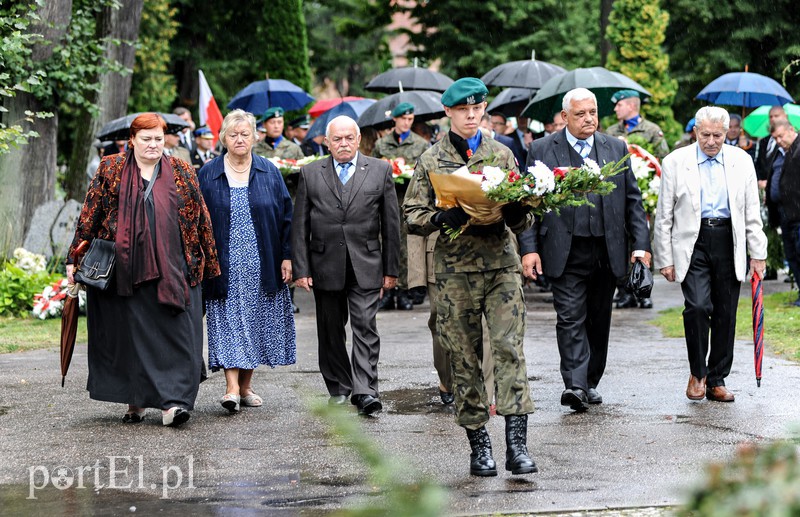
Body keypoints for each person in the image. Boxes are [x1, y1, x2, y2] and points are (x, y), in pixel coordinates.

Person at [404, 77, 537, 477]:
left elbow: (526, 211)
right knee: (463, 359)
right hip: (454, 273)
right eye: (463, 110)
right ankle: (480, 446)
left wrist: (517, 215)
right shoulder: (432, 159)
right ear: (448, 113)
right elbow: (411, 214)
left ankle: (517, 446)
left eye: (477, 108)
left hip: (500, 266)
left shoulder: (502, 153)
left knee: (509, 349)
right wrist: (443, 218)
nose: (471, 115)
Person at [66, 113, 220, 427]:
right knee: (129, 339)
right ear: (132, 140)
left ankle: (172, 404)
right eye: (146, 139)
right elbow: (90, 215)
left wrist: (209, 264)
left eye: (158, 139)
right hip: (123, 270)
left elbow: (200, 218)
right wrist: (73, 258)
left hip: (174, 268)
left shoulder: (181, 169)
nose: (153, 145)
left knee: (177, 336)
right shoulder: (111, 168)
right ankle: (134, 401)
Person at [518, 87, 651, 411]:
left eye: (592, 112)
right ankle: (574, 384)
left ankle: (590, 380)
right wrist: (529, 249)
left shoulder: (615, 147)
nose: (589, 118)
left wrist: (641, 247)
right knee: (569, 317)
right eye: (580, 114)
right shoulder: (542, 149)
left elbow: (633, 201)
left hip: (607, 251)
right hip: (565, 251)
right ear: (564, 117)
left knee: (598, 319)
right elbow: (529, 205)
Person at [654, 106, 767, 401]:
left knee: (726, 312)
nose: (712, 141)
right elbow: (664, 214)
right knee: (698, 307)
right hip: (693, 241)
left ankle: (717, 377)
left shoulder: (741, 161)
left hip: (729, 238)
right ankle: (698, 372)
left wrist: (758, 254)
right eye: (706, 135)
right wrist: (664, 257)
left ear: (728, 132)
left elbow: (752, 212)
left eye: (718, 135)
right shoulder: (675, 161)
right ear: (695, 132)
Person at [291, 115, 400, 416]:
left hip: (366, 263)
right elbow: (300, 226)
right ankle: (339, 387)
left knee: (365, 325)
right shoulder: (311, 173)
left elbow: (391, 224)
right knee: (330, 329)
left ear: (358, 140)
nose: (343, 144)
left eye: (349, 138)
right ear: (327, 142)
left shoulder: (379, 171)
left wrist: (391, 270)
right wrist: (301, 269)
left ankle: (365, 391)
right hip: (325, 263)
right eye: (336, 139)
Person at [198, 110, 296, 413]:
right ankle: (230, 389)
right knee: (226, 320)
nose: (239, 139)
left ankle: (246, 387)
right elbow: (196, 219)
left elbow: (286, 217)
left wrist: (287, 256)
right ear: (223, 138)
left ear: (255, 136)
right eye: (233, 134)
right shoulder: (208, 172)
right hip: (223, 264)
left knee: (256, 321)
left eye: (245, 134)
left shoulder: (269, 171)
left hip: (262, 260)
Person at [372, 102, 430, 311]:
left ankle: (405, 291)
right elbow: (372, 171)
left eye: (410, 119)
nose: (407, 123)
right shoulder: (382, 145)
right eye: (403, 119)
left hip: (409, 201)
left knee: (407, 247)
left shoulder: (421, 144)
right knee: (385, 243)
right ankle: (387, 291)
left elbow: (425, 173)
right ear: (395, 119)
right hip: (386, 202)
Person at [766, 120, 800, 304]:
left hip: (797, 212)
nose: (778, 140)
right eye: (775, 138)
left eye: (781, 136)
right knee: (792, 255)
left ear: (791, 130)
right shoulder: (784, 152)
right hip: (786, 213)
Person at [606, 89, 669, 159]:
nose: (615, 109)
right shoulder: (611, 131)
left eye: (619, 105)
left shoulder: (653, 130)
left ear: (631, 106)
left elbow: (663, 158)